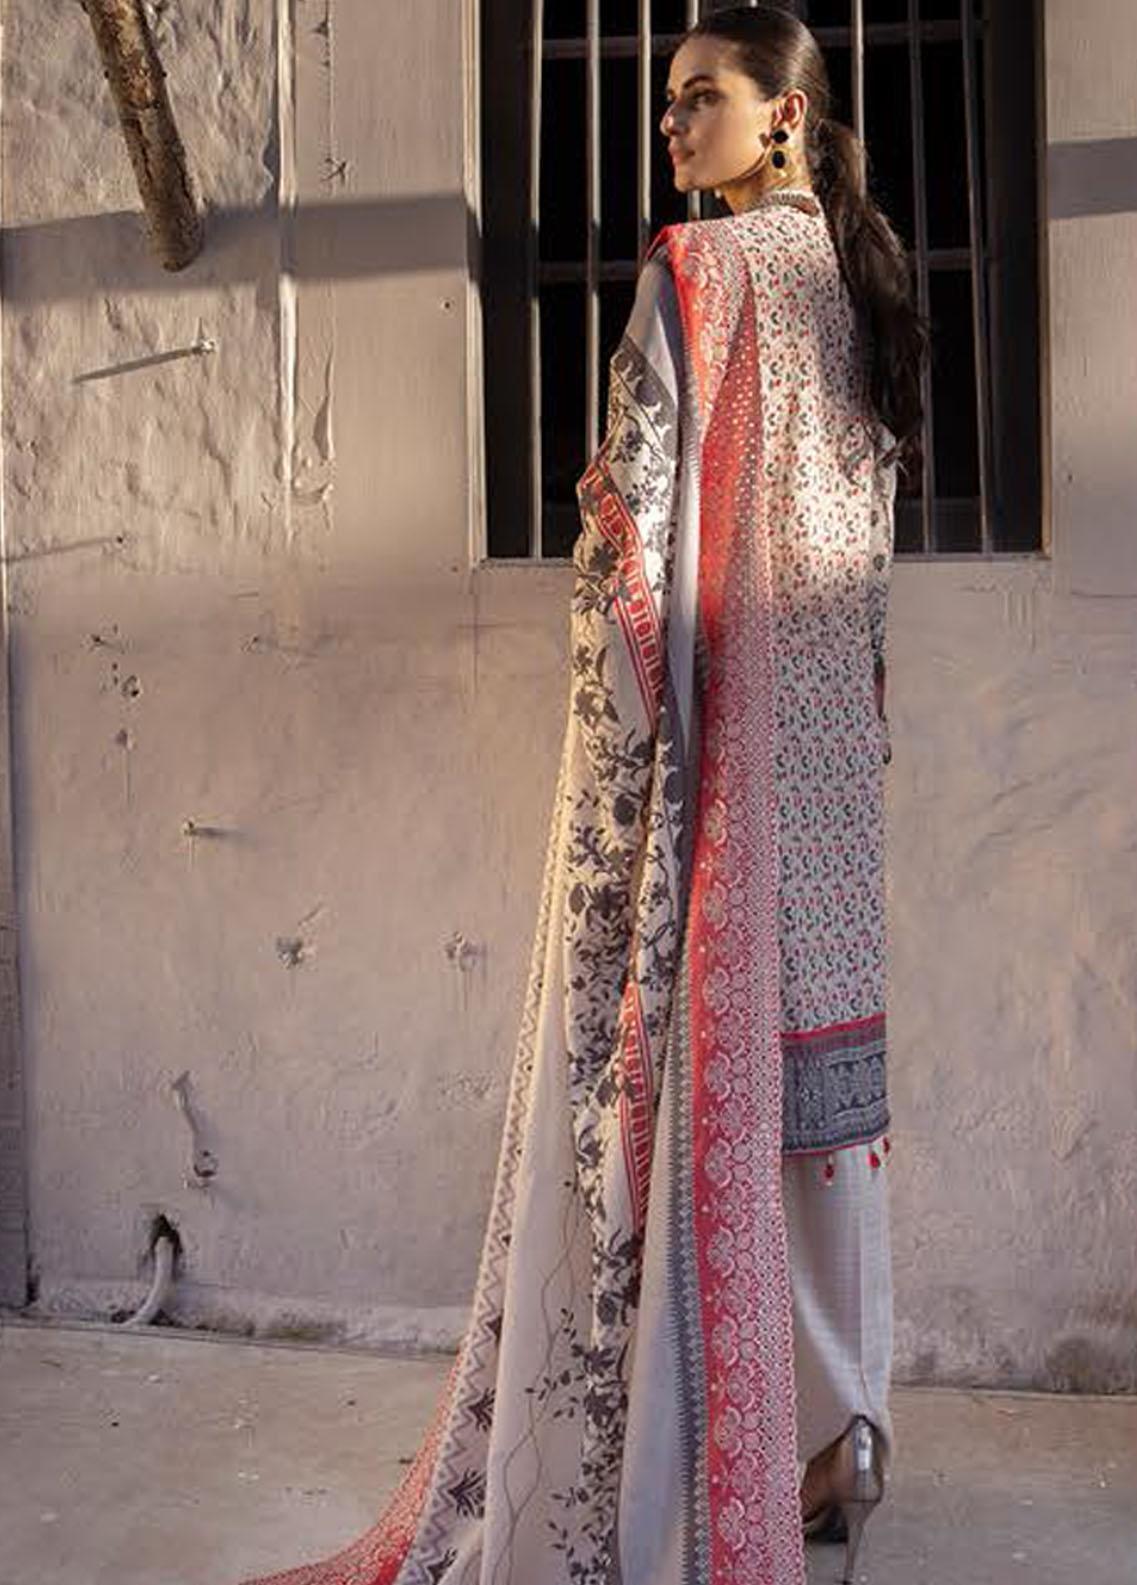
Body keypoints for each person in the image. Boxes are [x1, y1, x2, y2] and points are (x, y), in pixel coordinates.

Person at [232, 6, 926, 1585]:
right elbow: (868, 557)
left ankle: (684, 1474)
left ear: (784, 118)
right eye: (664, 101)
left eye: (701, 99)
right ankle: (849, 1435)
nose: (670, 126)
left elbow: (630, 547)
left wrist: (619, 756)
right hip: (835, 766)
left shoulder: (696, 272)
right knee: (825, 1105)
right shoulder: (861, 289)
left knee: (687, 1107)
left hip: (724, 765)